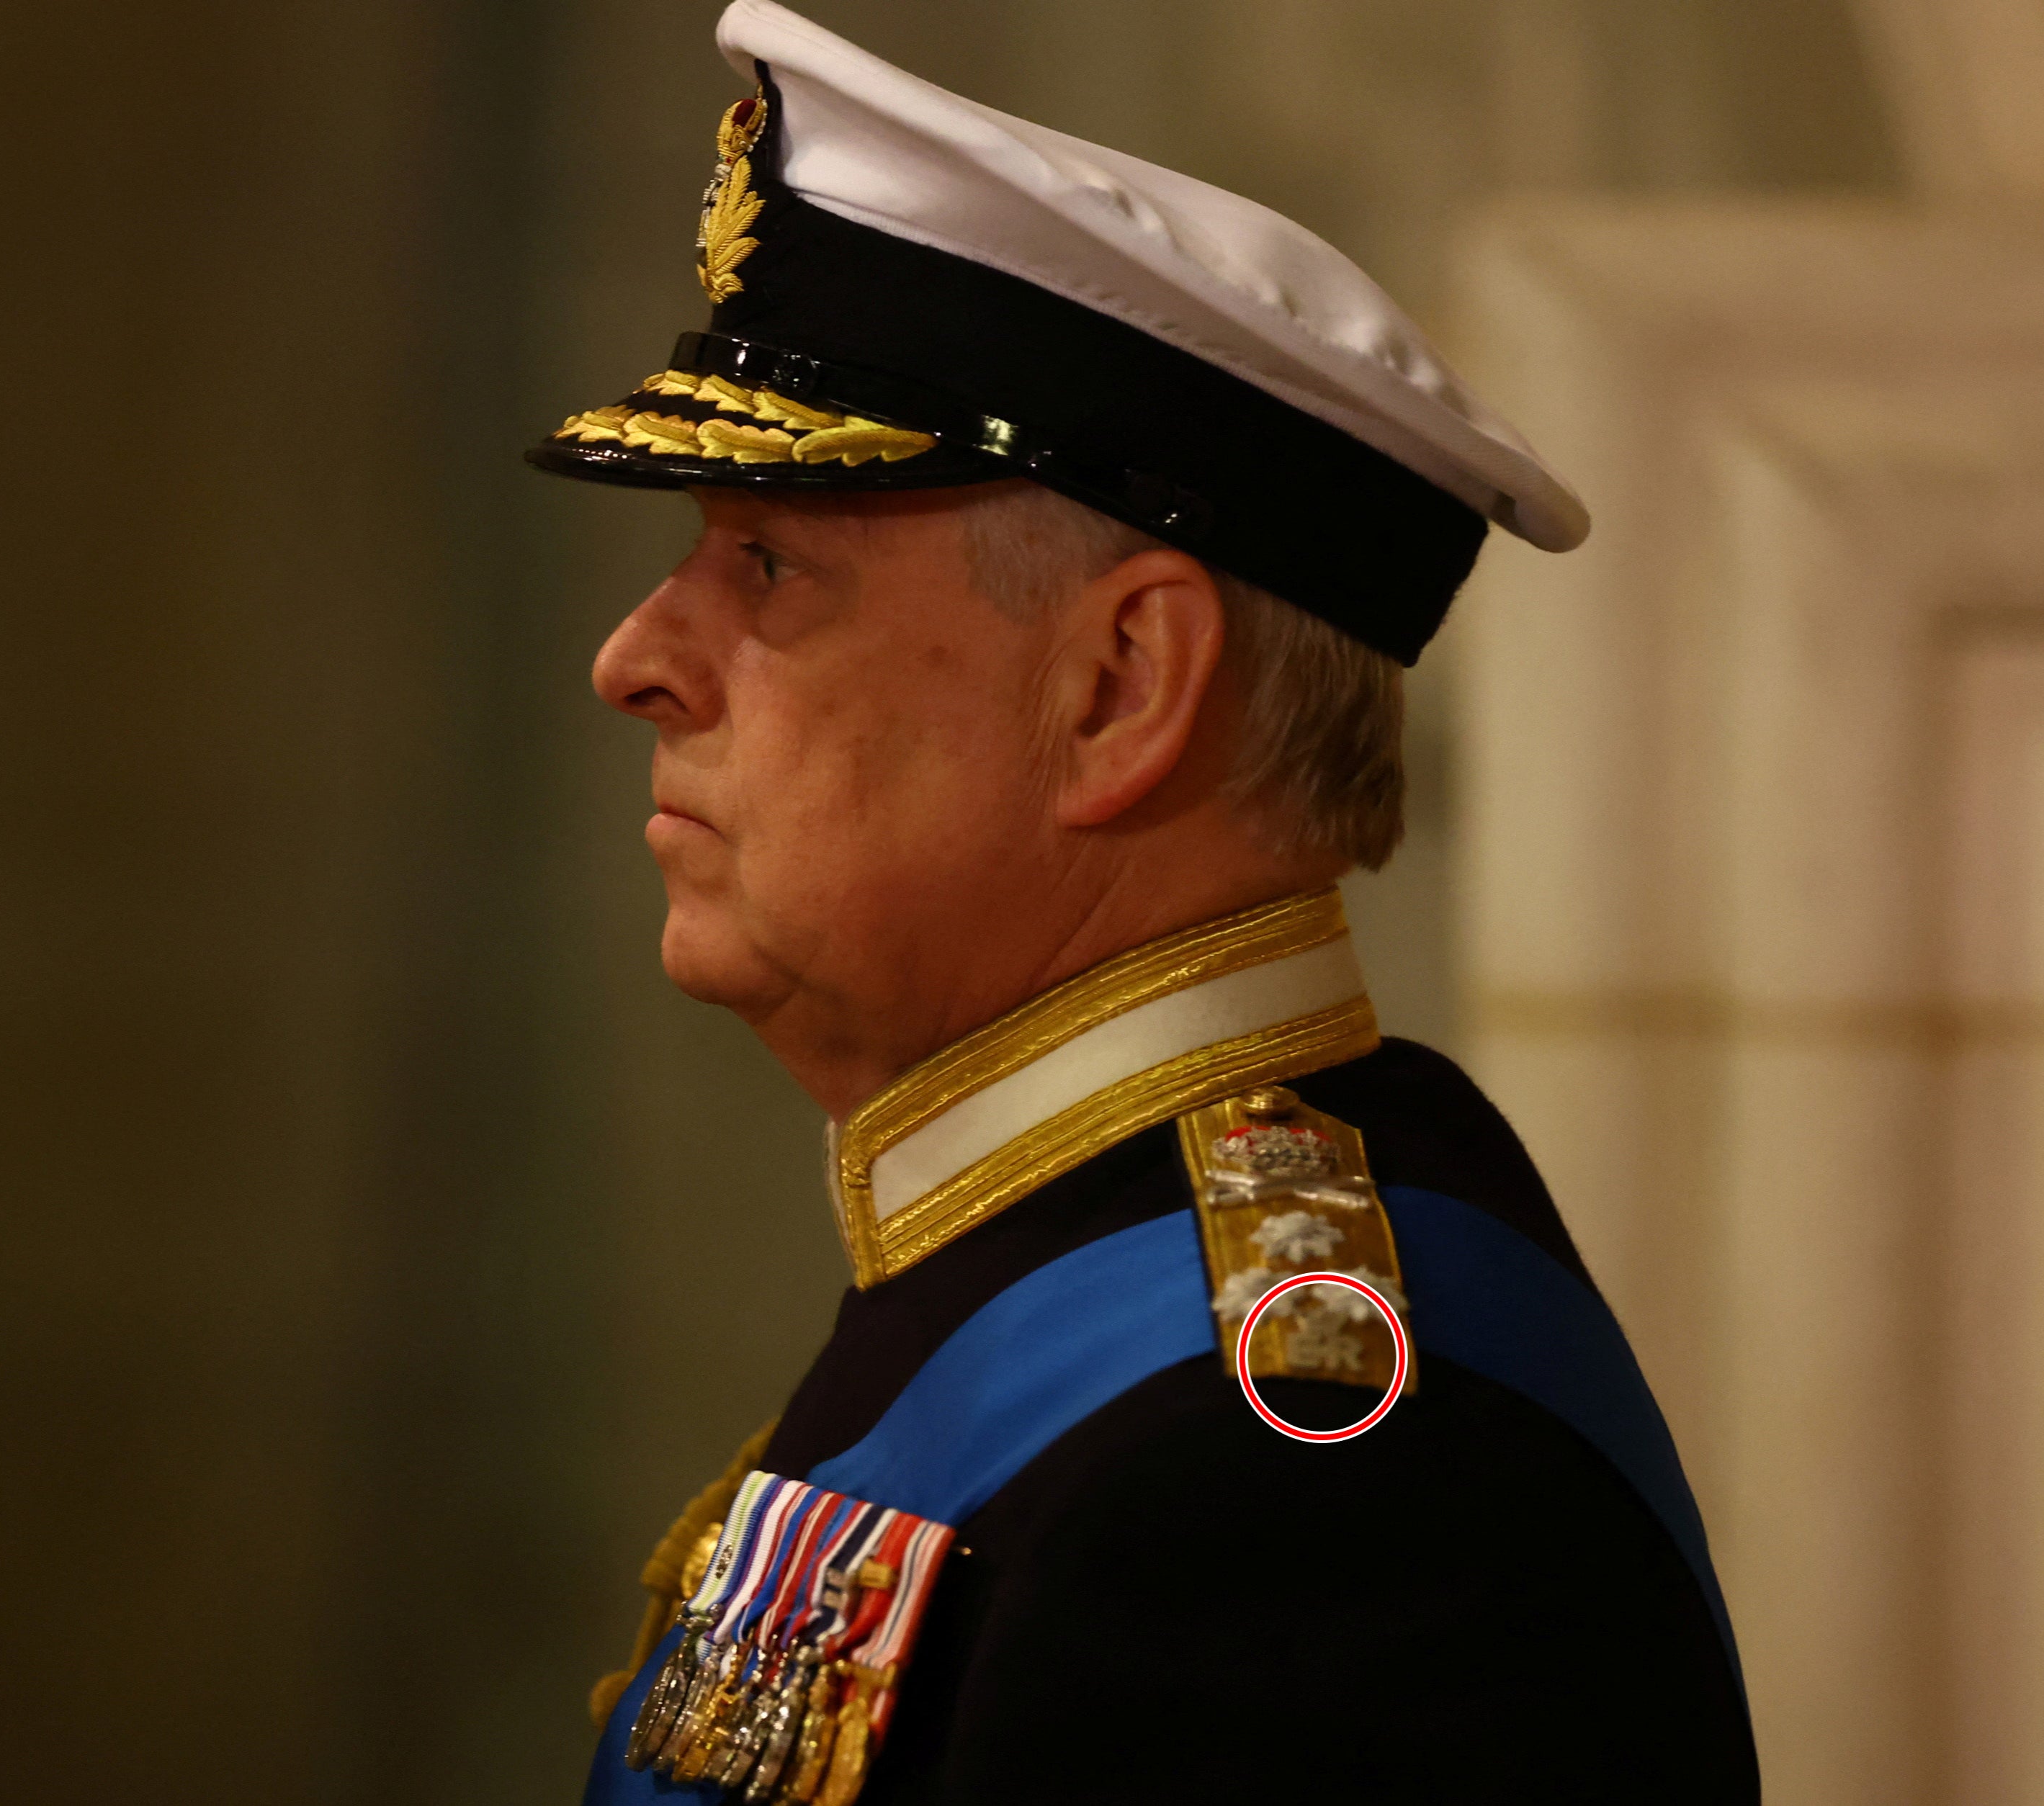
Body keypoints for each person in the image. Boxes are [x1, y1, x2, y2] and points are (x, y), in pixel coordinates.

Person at [530, 4, 1757, 1800]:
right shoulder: (1082, 1274)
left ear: (1119, 685)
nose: (634, 659)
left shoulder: (1305, 1483)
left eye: (766, 564)